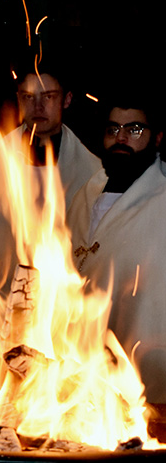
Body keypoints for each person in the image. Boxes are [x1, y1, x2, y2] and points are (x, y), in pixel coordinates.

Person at [0, 57, 102, 299]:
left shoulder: (92, 173)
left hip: (66, 308)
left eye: (49, 96)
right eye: (28, 97)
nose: (38, 107)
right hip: (1, 303)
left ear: (67, 100)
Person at [66, 94, 166, 404]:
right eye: (112, 130)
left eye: (134, 130)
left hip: (145, 362)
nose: (120, 138)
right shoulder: (88, 192)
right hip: (82, 360)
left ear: (157, 138)